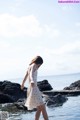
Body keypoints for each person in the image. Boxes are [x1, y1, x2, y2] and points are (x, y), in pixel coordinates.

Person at [21, 56, 48, 120]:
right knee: (43, 107)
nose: (39, 66)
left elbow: (25, 76)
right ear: (39, 62)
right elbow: (30, 74)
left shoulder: (29, 66)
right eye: (40, 64)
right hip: (34, 88)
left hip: (31, 88)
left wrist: (22, 84)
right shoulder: (34, 65)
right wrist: (32, 80)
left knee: (39, 108)